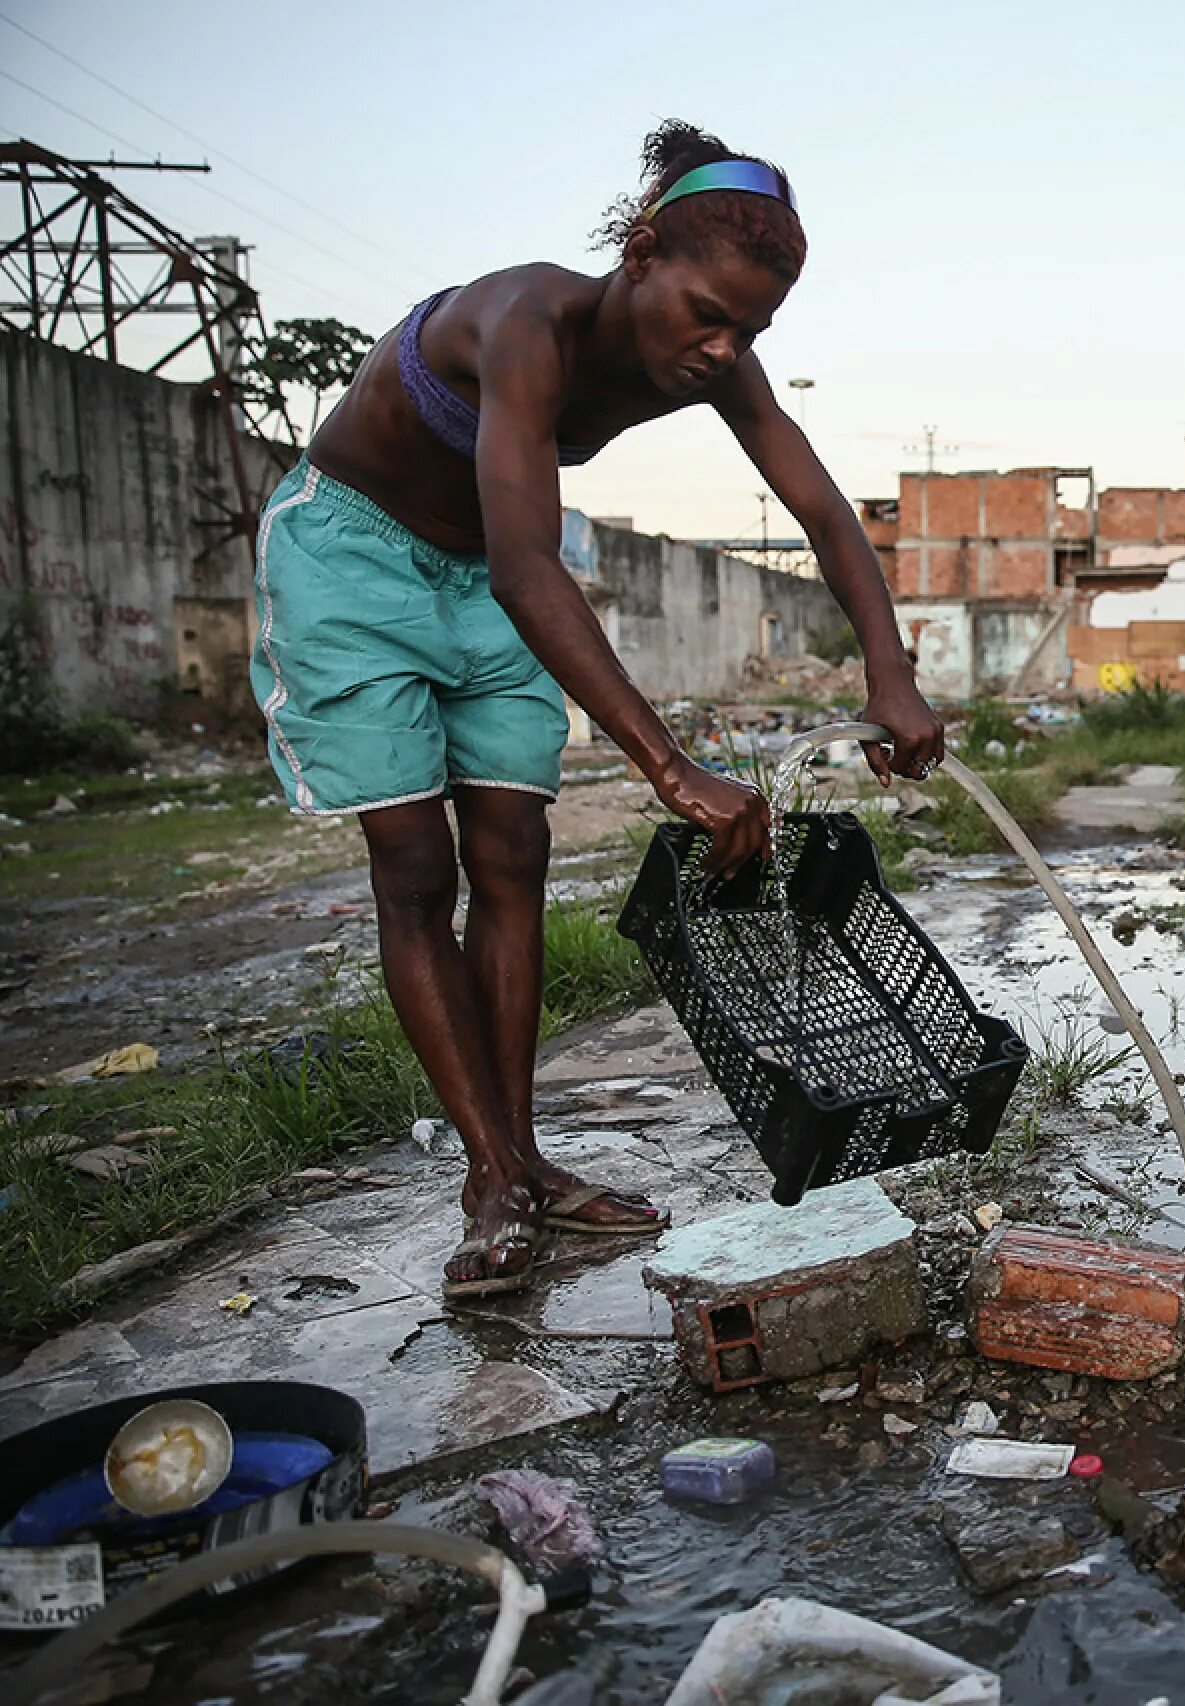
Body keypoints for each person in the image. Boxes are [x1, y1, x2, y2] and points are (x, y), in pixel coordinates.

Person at [252, 122, 944, 1297]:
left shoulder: (722, 363)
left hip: (484, 578)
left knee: (513, 850)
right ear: (640, 253)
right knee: (417, 869)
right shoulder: (526, 320)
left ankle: (520, 1164)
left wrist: (890, 670)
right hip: (355, 558)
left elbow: (825, 510)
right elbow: (535, 564)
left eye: (751, 331)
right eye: (706, 314)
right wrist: (672, 768)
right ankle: (493, 1176)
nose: (720, 347)